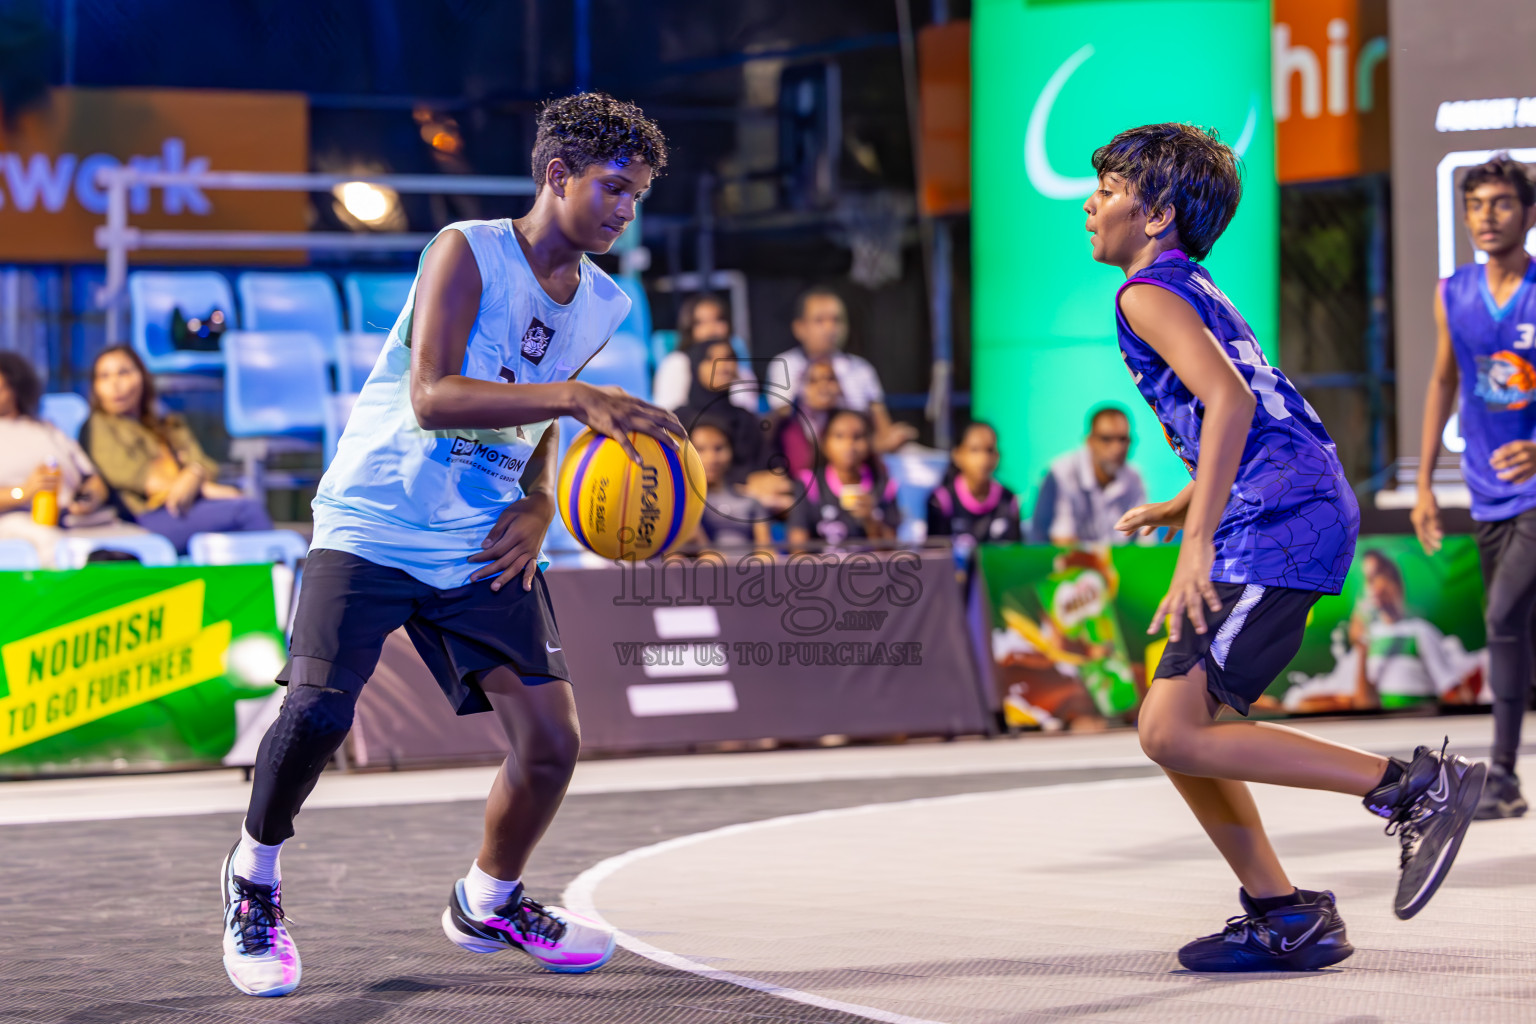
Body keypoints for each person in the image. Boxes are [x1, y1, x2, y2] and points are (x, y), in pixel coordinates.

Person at [217, 92, 682, 998]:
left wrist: (542, 500)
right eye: (615, 188)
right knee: (317, 713)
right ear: (558, 175)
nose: (628, 210)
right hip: (376, 517)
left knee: (551, 742)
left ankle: (488, 900)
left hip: (480, 535)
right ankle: (253, 880)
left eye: (640, 195)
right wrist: (578, 403)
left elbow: (543, 403)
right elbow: (432, 395)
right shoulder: (467, 249)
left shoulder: (606, 303)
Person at [1090, 122, 1484, 972]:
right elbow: (1266, 417)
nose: (1092, 205)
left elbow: (1230, 406)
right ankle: (1282, 913)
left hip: (1276, 518)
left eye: (1111, 191)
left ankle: (1415, 787)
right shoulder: (1192, 285)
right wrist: (1185, 500)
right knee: (1182, 725)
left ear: (1156, 213)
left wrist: (1195, 542)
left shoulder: (1143, 295)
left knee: (1173, 728)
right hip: (1278, 502)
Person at [1411, 153, 1536, 820]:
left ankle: (1506, 776)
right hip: (1484, 489)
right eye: (1476, 205)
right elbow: (1442, 383)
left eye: (1502, 203)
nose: (1487, 216)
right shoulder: (1451, 292)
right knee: (1517, 629)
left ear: (1529, 212)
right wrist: (1425, 484)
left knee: (1503, 620)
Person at [84, 345, 272, 554]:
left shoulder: (167, 422)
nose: (115, 384)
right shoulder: (98, 425)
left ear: (142, 377)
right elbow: (143, 479)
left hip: (186, 507)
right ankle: (281, 582)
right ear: (95, 387)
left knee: (242, 514)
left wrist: (195, 473)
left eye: (124, 372)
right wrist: (205, 487)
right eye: (104, 376)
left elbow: (204, 464)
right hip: (145, 517)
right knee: (246, 511)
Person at [1273, 549, 1483, 714]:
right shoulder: (1368, 639)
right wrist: (1362, 648)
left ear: (1394, 581)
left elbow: (1453, 695)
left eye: (1375, 577)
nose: (1373, 588)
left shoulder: (1420, 632)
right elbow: (1363, 703)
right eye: (1367, 580)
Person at [0, 352, 134, 566]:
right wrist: (23, 492)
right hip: (17, 520)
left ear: (15, 387)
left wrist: (90, 499)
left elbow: (92, 479)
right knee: (51, 543)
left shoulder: (47, 429)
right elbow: (22, 495)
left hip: (76, 519)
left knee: (136, 542)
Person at [771, 286, 916, 453]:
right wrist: (808, 404)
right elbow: (779, 422)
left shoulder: (861, 369)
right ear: (799, 327)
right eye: (819, 320)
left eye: (837, 320)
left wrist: (891, 439)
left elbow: (882, 428)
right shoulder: (785, 364)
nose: (830, 328)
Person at [673, 339, 793, 512]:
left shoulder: (746, 419)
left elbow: (773, 473)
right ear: (695, 365)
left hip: (752, 509)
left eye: (729, 358)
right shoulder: (678, 419)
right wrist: (744, 486)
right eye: (711, 359)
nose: (723, 366)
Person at [1037, 405, 1149, 546]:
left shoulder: (1134, 478)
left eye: (1122, 439)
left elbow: (1145, 542)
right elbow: (1062, 544)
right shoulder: (1062, 473)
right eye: (1106, 439)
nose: (1117, 448)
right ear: (1090, 441)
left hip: (1116, 565)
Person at [788, 408, 900, 547]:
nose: (849, 445)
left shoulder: (884, 485)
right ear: (825, 444)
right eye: (839, 436)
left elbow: (891, 550)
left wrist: (870, 520)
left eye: (857, 437)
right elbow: (798, 549)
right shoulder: (809, 484)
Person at [926, 420, 1023, 566]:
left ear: (997, 456)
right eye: (974, 450)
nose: (983, 459)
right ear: (957, 455)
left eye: (989, 450)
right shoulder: (941, 501)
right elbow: (934, 564)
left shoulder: (1009, 500)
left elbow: (1016, 557)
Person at [651, 292, 758, 413]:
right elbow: (667, 413)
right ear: (689, 328)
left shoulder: (738, 368)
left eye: (718, 319)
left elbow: (747, 409)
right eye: (701, 322)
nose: (711, 328)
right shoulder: (677, 363)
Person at [686, 417, 772, 549]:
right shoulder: (683, 503)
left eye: (719, 448)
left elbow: (766, 550)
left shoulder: (750, 501)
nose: (711, 458)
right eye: (701, 449)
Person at [769, 355, 842, 478]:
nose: (823, 386)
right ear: (801, 387)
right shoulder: (782, 426)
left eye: (830, 379)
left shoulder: (849, 422)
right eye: (813, 380)